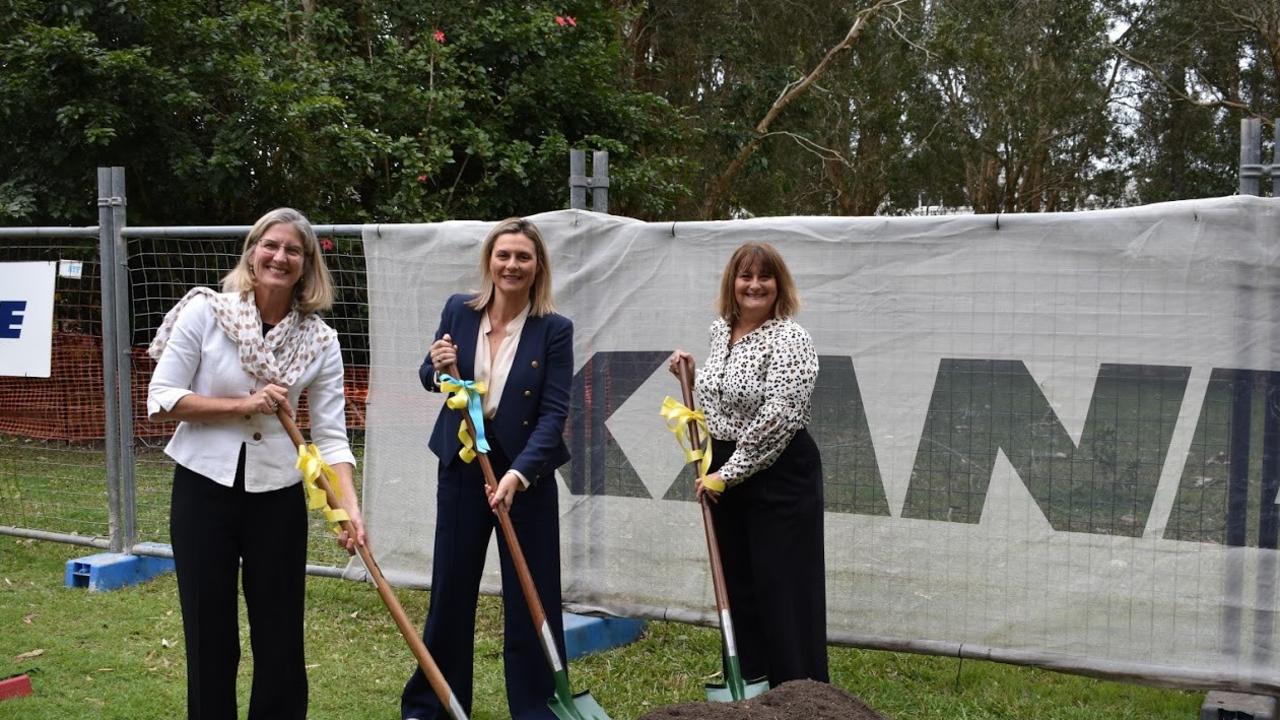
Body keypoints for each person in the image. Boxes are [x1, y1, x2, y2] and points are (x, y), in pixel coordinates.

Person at [146, 208, 365, 720]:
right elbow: (162, 397)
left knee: (281, 632)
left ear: (308, 265)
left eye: (294, 250)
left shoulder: (322, 340)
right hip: (203, 488)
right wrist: (244, 404)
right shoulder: (206, 312)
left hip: (276, 496)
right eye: (271, 245)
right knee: (209, 631)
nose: (280, 257)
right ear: (252, 251)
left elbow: (331, 437)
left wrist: (350, 508)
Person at [402, 217, 573, 720]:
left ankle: (539, 707)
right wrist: (436, 364)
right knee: (451, 589)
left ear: (537, 265)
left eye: (523, 257)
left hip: (527, 476)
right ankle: (435, 705)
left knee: (532, 597)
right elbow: (430, 375)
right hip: (463, 465)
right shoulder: (459, 310)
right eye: (504, 256)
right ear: (489, 262)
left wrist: (518, 476)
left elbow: (554, 412)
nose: (512, 265)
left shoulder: (554, 330)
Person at [668, 241, 829, 687]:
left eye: (765, 276)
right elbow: (730, 400)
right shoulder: (721, 330)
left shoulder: (791, 338)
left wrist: (728, 473)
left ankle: (796, 695)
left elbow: (779, 414)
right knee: (737, 585)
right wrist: (693, 375)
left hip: (777, 474)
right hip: (726, 471)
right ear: (732, 284)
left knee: (782, 590)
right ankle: (750, 687)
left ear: (779, 285)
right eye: (745, 276)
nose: (754, 285)